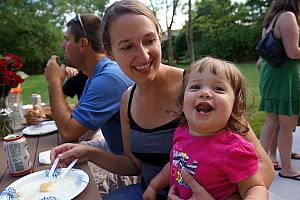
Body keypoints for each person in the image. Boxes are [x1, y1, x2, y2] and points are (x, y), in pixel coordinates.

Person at [50, 1, 274, 199]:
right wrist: (89, 152)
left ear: (160, 37)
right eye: (127, 46)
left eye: (149, 40)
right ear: (110, 53)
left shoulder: (199, 89)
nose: (144, 55)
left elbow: (263, 167)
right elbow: (134, 165)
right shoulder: (127, 99)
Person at [143, 57, 268, 200]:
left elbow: (255, 187)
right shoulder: (181, 132)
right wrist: (154, 186)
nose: (204, 93)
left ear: (236, 107)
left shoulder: (234, 150)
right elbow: (175, 163)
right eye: (195, 87)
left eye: (218, 88)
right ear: (182, 102)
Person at [44, 14, 133, 155]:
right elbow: (75, 116)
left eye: (67, 40)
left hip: (130, 166)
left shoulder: (108, 78)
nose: (62, 46)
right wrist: (43, 112)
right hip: (117, 152)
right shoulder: (95, 74)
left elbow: (68, 132)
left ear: (82, 44)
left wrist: (53, 81)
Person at [258, 0, 300, 180]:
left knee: (271, 121)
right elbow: (293, 52)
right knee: (286, 124)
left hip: (270, 75)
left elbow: (261, 60)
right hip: (285, 78)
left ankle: (261, 162)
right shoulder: (289, 17)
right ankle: (287, 169)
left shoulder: (271, 21)